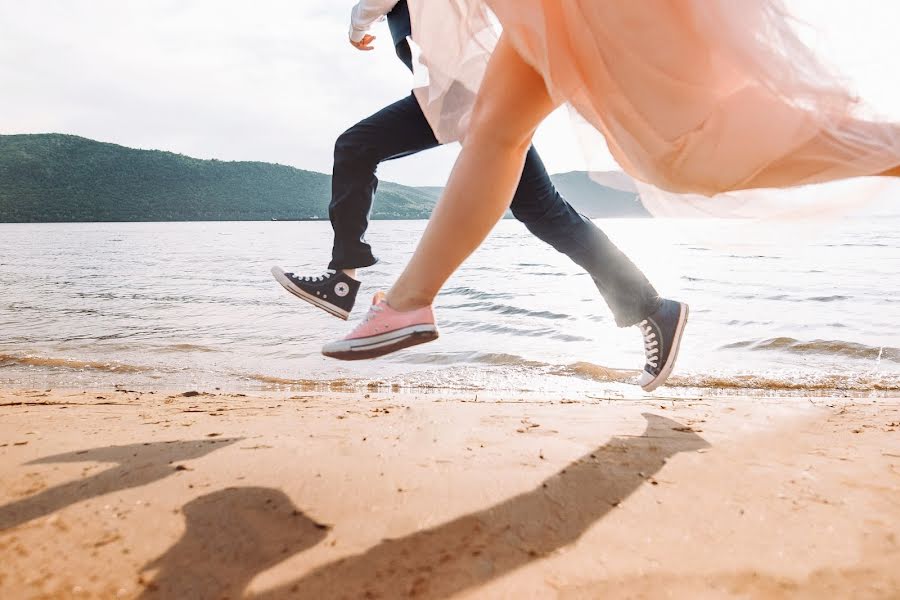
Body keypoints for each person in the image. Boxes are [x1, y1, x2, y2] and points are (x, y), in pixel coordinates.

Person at [322, 0, 900, 378]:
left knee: (680, 155)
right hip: (537, 19)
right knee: (498, 138)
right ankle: (405, 302)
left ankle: (375, 290)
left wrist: (360, 16)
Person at [275, 0, 689, 391]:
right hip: (452, 88)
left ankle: (654, 309)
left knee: (543, 211)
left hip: (472, 86)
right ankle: (343, 280)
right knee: (542, 211)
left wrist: (358, 21)